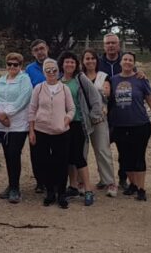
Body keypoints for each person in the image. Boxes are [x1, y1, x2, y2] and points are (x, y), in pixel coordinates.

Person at [107, 51, 151, 202]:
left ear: (134, 63)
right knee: (124, 158)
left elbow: (150, 99)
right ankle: (133, 184)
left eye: (130, 60)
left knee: (138, 156)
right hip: (120, 125)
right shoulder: (113, 80)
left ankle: (141, 189)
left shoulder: (141, 79)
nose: (127, 62)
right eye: (125, 59)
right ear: (121, 62)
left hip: (140, 124)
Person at [59, 51, 103, 206]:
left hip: (78, 122)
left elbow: (95, 96)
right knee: (68, 157)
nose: (69, 64)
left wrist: (94, 115)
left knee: (79, 157)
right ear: (62, 64)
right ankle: (73, 186)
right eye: (66, 62)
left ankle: (88, 189)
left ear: (76, 64)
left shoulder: (80, 79)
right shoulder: (58, 81)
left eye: (72, 62)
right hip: (63, 125)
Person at [29, 58, 74, 208]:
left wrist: (66, 120)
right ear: (44, 72)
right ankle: (49, 192)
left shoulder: (64, 88)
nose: (51, 72)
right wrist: (31, 131)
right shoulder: (39, 88)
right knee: (45, 162)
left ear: (58, 71)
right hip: (41, 131)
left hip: (61, 132)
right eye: (48, 70)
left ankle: (61, 193)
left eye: (54, 70)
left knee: (61, 163)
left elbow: (72, 109)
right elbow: (32, 109)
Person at [0, 52, 32, 204]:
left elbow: (23, 99)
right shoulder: (1, 80)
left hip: (18, 124)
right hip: (2, 124)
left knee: (14, 153)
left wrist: (7, 114)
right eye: (9, 64)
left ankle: (15, 188)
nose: (12, 67)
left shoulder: (24, 80)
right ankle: (11, 185)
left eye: (16, 64)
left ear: (20, 66)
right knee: (8, 155)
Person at [81, 49, 118, 197]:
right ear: (83, 61)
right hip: (83, 118)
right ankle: (81, 181)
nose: (90, 61)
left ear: (97, 61)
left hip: (99, 118)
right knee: (82, 150)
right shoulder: (80, 77)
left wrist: (104, 93)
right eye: (87, 58)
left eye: (92, 58)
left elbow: (107, 92)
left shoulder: (103, 76)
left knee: (103, 149)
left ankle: (109, 181)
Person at [25, 39, 50, 193]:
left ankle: (53, 179)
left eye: (42, 48)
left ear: (47, 48)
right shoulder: (29, 69)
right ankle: (40, 180)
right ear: (33, 53)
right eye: (36, 50)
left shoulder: (56, 65)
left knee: (53, 148)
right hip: (37, 113)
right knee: (37, 149)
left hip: (55, 113)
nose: (40, 52)